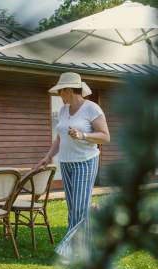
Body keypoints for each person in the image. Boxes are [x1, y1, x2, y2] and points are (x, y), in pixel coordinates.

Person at [34, 72, 110, 259]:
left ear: (68, 90)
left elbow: (105, 137)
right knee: (74, 207)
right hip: (66, 163)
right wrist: (48, 157)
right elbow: (60, 137)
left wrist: (83, 135)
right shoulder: (63, 111)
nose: (59, 96)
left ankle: (68, 250)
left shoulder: (92, 109)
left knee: (80, 208)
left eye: (61, 92)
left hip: (86, 162)